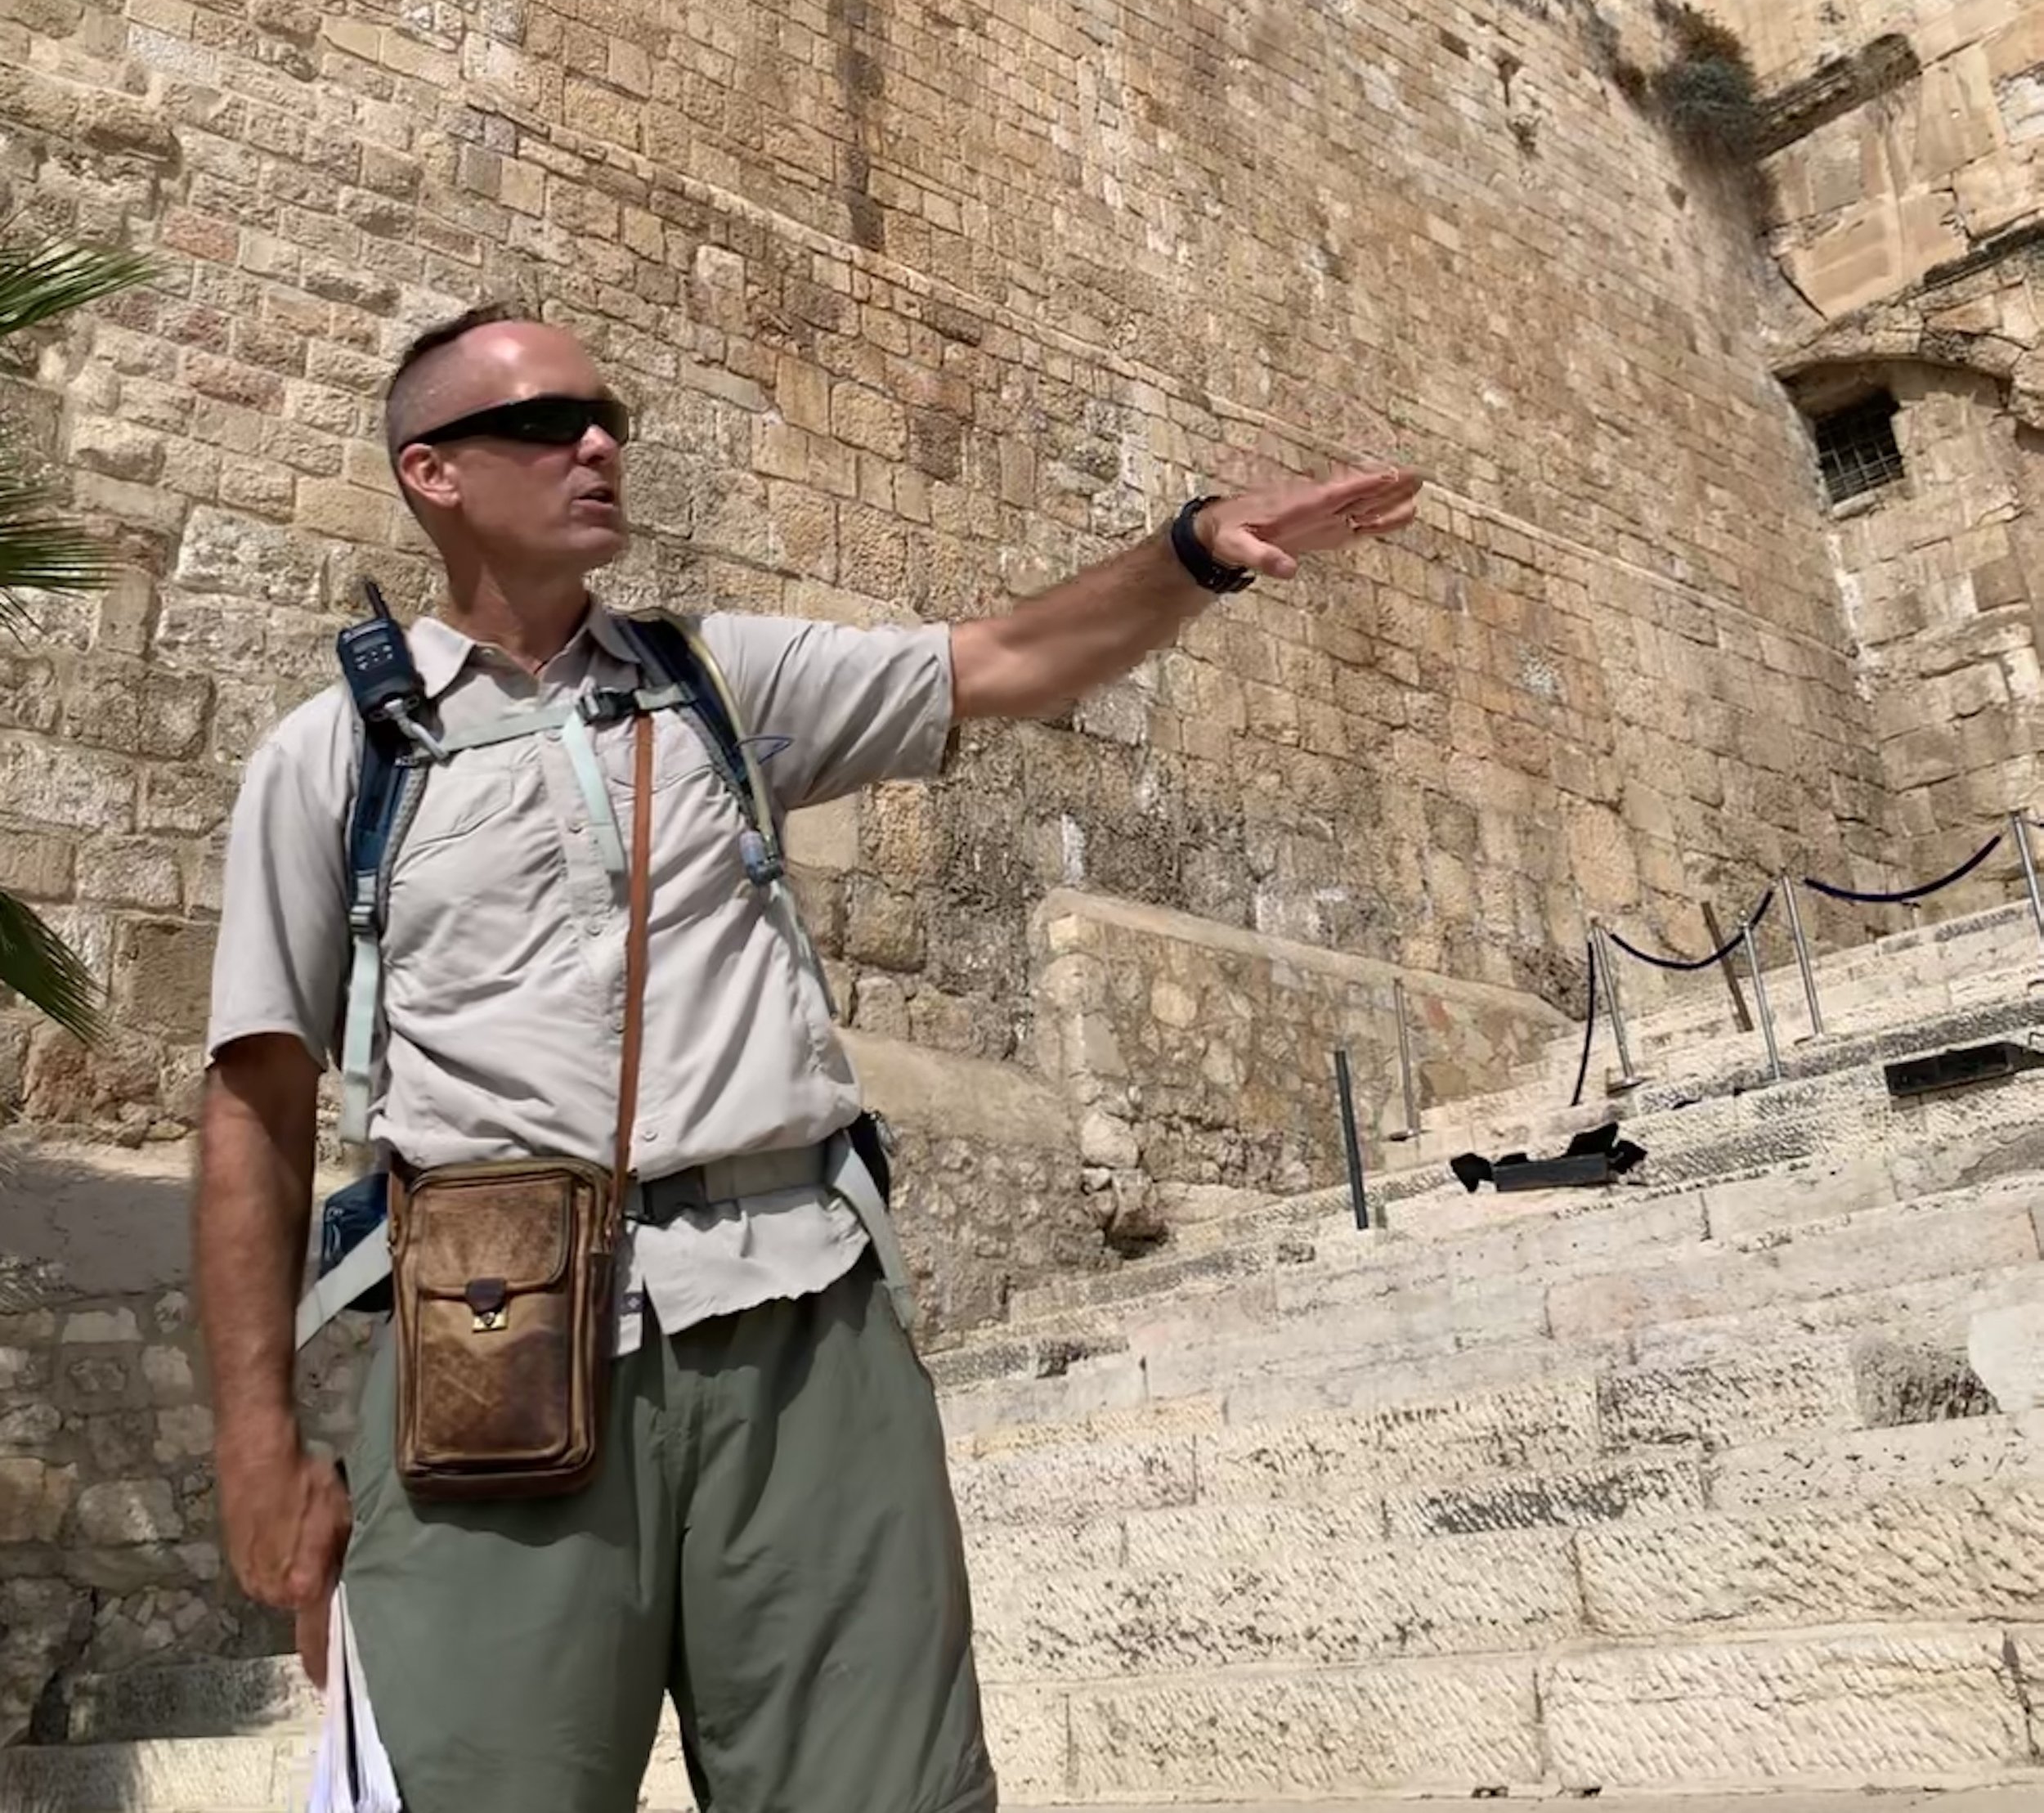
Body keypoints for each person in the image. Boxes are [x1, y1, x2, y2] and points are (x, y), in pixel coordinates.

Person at [197, 303, 1423, 1813]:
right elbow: (252, 1105)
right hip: (487, 1348)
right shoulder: (331, 759)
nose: (597, 442)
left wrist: (1192, 553)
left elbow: (1013, 658)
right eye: (544, 421)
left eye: (609, 414)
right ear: (431, 473)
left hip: (801, 1320)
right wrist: (257, 1443)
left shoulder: (719, 684)